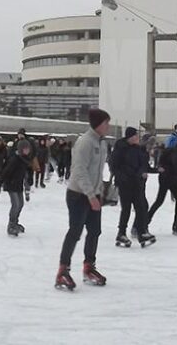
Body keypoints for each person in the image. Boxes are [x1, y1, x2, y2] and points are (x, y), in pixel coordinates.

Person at [55, 109, 111, 291]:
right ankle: (63, 270)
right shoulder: (85, 142)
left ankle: (89, 266)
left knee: (95, 231)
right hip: (78, 195)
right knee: (75, 231)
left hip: (93, 194)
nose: (108, 126)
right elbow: (79, 171)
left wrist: (99, 192)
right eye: (106, 123)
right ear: (98, 124)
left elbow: (98, 171)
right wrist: (89, 194)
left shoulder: (102, 144)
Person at [110, 127, 157, 248]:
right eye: (135, 136)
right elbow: (114, 166)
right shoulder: (120, 148)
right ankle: (121, 233)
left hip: (137, 183)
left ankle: (141, 232)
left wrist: (142, 173)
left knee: (141, 207)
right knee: (126, 209)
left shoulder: (138, 149)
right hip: (125, 183)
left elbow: (143, 164)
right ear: (129, 137)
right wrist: (123, 177)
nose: (137, 138)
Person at [149, 136, 177, 235]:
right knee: (160, 201)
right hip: (167, 177)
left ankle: (176, 224)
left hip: (170, 176)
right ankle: (144, 223)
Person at [1, 139, 33, 237]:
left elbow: (27, 171)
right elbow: (6, 171)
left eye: (28, 149)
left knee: (20, 204)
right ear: (20, 149)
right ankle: (11, 225)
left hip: (18, 185)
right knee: (15, 205)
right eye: (25, 149)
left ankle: (15, 222)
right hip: (10, 184)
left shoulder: (25, 159)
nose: (27, 151)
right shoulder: (14, 159)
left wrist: (30, 178)